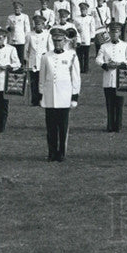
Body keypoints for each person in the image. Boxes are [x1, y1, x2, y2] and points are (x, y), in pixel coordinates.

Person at [42, 27, 81, 161]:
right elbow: (42, 78)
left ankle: (61, 153)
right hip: (50, 97)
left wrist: (74, 96)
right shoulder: (46, 56)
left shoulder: (71, 56)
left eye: (59, 41)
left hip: (64, 97)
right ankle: (51, 152)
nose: (57, 43)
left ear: (65, 41)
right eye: (55, 41)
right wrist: (42, 95)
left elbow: (76, 78)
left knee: (63, 128)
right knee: (51, 128)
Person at [96, 22, 127, 133]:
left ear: (120, 33)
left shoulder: (126, 45)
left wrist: (121, 64)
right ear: (109, 33)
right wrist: (105, 65)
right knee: (109, 104)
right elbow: (98, 59)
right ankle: (110, 125)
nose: (114, 34)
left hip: (121, 78)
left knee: (119, 104)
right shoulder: (104, 46)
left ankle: (118, 126)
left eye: (116, 32)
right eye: (112, 32)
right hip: (108, 79)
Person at [24, 14, 51, 106]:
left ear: (43, 25)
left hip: (43, 61)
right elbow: (26, 49)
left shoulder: (47, 34)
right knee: (33, 82)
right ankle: (34, 100)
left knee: (42, 81)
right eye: (36, 24)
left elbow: (50, 49)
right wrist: (27, 60)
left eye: (39, 24)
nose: (37, 26)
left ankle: (42, 100)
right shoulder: (29, 35)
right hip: (32, 61)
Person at [73, 2, 96, 74]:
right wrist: (77, 29)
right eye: (82, 10)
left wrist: (92, 37)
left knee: (86, 55)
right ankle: (80, 68)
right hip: (79, 38)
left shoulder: (90, 18)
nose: (83, 11)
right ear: (80, 10)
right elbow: (74, 28)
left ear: (87, 10)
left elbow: (92, 28)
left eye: (85, 10)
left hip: (86, 38)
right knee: (79, 55)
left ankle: (86, 69)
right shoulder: (76, 18)